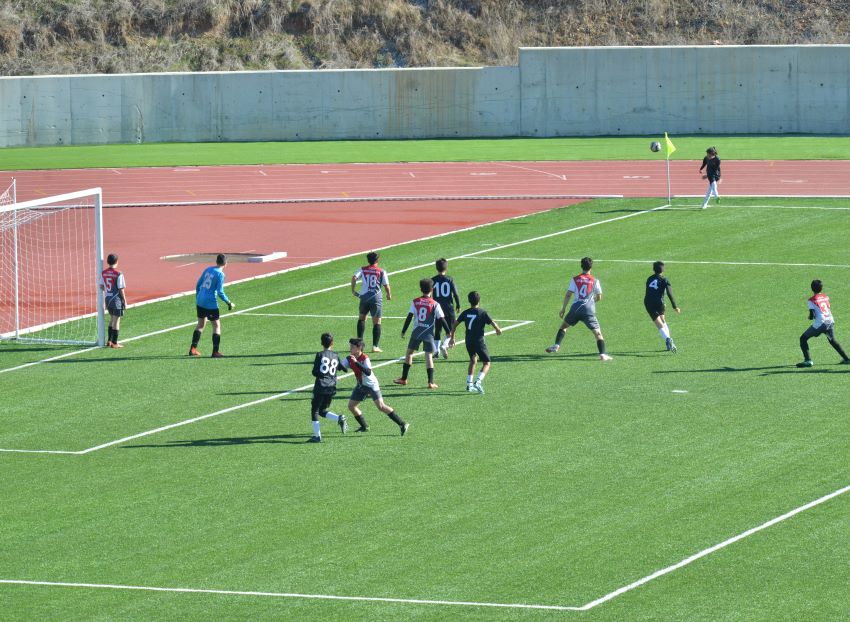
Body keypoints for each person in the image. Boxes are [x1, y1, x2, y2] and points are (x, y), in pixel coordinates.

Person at [545, 257, 612, 361]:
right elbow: (599, 297)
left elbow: (568, 294)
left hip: (575, 309)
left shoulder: (575, 279)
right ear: (591, 267)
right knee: (597, 333)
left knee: (564, 326)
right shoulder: (595, 281)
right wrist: (591, 302)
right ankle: (602, 354)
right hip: (588, 310)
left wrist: (563, 308)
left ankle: (556, 345)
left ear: (581, 266)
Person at [340, 338, 409, 436]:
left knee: (381, 406)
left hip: (371, 385)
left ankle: (402, 424)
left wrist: (356, 363)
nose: (350, 348)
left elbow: (368, 372)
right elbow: (341, 366)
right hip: (361, 385)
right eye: (350, 346)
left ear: (359, 348)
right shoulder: (349, 358)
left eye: (352, 346)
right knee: (351, 406)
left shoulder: (365, 358)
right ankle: (364, 426)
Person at [394, 278, 451, 389]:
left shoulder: (415, 301)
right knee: (428, 356)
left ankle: (404, 379)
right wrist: (448, 332)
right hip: (428, 334)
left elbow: (409, 317)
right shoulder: (435, 304)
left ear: (420, 289)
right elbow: (442, 319)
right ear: (432, 289)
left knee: (409, 353)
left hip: (416, 332)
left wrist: (404, 330)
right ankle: (430, 382)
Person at [449, 291, 502, 394]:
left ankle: (469, 384)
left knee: (473, 360)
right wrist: (498, 329)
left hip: (468, 340)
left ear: (469, 301)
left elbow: (454, 325)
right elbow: (492, 323)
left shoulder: (465, 312)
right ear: (479, 300)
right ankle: (478, 381)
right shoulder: (482, 313)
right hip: (479, 341)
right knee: (487, 363)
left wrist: (452, 338)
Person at [189, 253, 235, 358]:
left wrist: (198, 297)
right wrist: (229, 302)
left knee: (200, 325)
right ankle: (215, 352)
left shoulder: (208, 269)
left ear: (216, 261)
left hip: (200, 301)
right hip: (210, 303)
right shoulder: (220, 274)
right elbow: (220, 292)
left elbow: (198, 284)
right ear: (226, 263)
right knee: (216, 326)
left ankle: (193, 349)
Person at [796, 280, 850, 368]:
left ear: (811, 288)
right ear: (821, 288)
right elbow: (827, 307)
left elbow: (812, 315)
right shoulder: (826, 297)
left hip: (821, 323)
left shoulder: (811, 300)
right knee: (832, 340)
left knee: (803, 338)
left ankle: (808, 360)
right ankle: (847, 359)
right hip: (830, 321)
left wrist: (810, 317)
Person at [308, 332, 348, 443]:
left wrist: (322, 374)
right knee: (322, 410)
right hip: (331, 387)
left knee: (315, 411)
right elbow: (344, 368)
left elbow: (314, 372)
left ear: (321, 343)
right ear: (332, 343)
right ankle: (339, 418)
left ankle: (317, 436)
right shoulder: (335, 355)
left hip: (321, 386)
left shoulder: (319, 355)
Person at [351, 251, 391, 353]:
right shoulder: (381, 271)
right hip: (376, 298)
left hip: (364, 297)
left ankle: (359, 345)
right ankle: (375, 346)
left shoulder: (362, 269)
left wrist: (353, 290)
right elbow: (386, 285)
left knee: (362, 318)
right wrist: (388, 294)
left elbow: (354, 277)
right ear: (377, 260)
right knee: (377, 322)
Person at [644, 261, 681, 352]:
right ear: (663, 270)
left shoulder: (649, 278)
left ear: (653, 269)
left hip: (649, 302)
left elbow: (650, 291)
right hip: (660, 303)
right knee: (663, 321)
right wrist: (675, 306)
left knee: (659, 324)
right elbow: (669, 293)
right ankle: (668, 341)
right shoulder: (665, 280)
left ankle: (668, 340)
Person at [432, 258, 461, 359]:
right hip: (448, 308)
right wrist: (458, 304)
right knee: (451, 329)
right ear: (446, 268)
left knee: (438, 329)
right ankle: (444, 346)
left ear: (436, 268)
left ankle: (436, 351)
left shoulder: (433, 280)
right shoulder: (450, 279)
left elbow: (429, 295)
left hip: (437, 308)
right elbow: (455, 294)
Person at [100, 253, 126, 348]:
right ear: (117, 261)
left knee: (111, 319)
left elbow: (101, 286)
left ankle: (109, 341)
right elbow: (121, 289)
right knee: (116, 321)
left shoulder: (104, 273)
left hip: (108, 299)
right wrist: (124, 301)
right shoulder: (118, 273)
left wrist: (109, 290)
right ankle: (115, 343)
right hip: (116, 299)